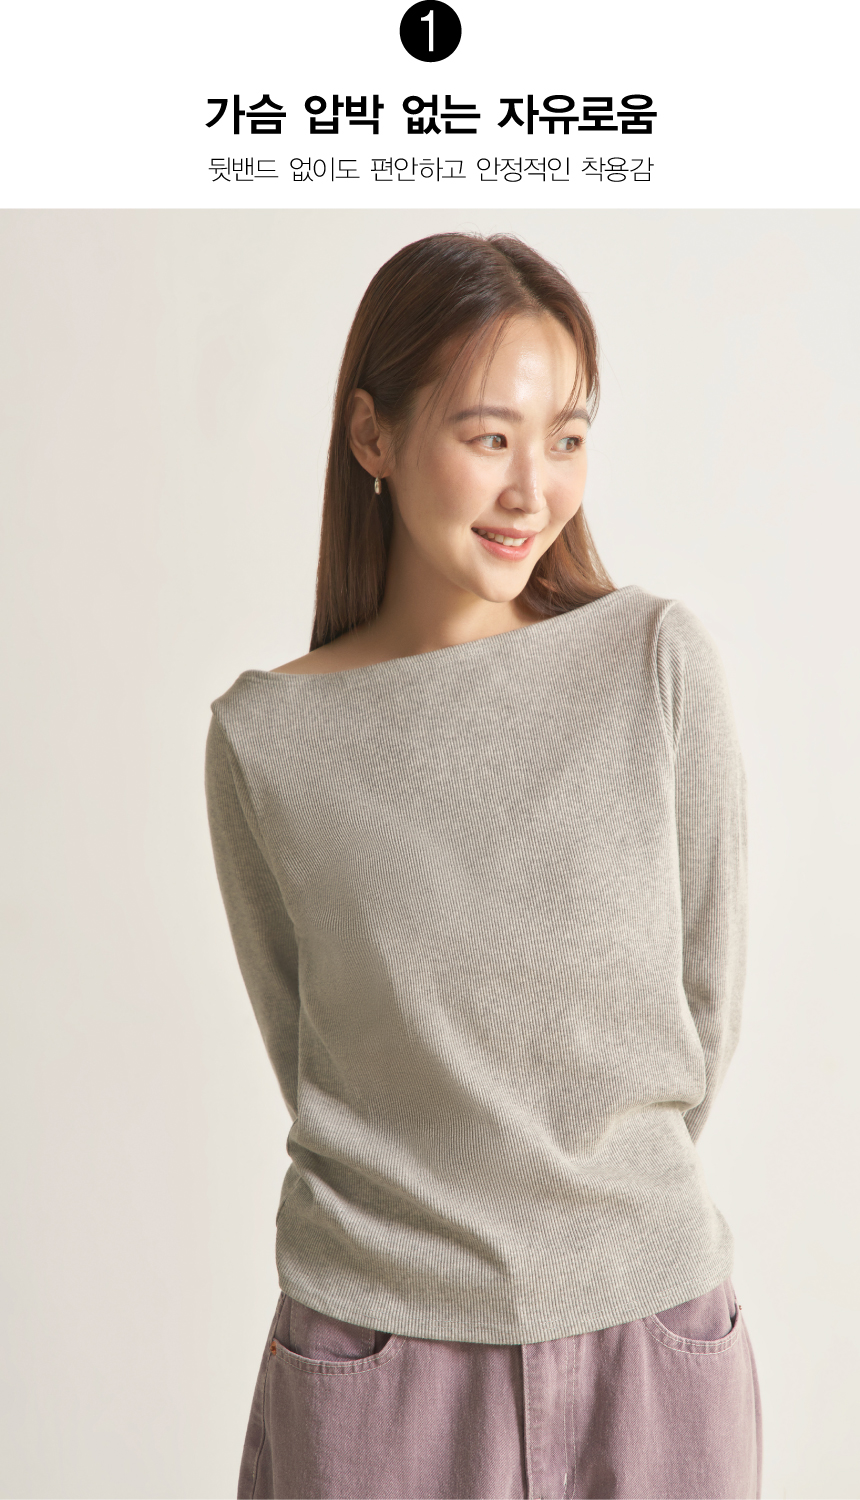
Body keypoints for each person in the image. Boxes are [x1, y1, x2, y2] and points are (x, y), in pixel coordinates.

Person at [204, 232, 762, 1500]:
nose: (531, 489)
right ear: (373, 436)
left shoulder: (654, 663)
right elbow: (314, 1054)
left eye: (564, 436)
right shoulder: (266, 742)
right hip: (377, 1351)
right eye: (487, 435)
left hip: (649, 1337)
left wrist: (587, 1224)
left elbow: (702, 1011)